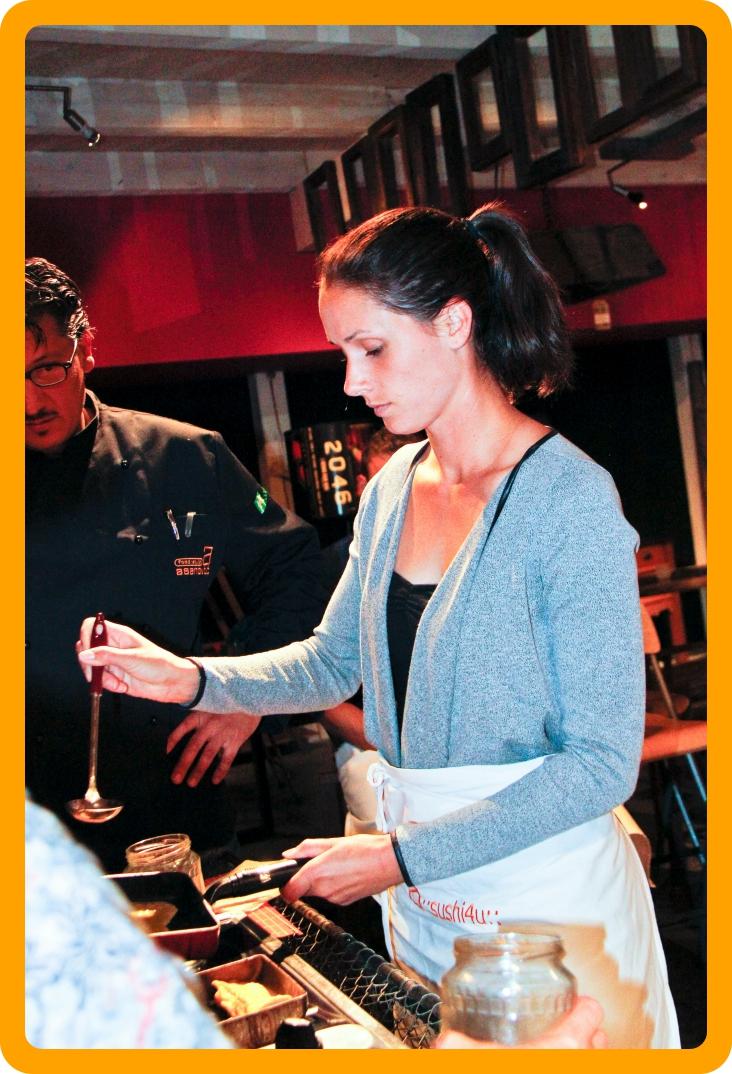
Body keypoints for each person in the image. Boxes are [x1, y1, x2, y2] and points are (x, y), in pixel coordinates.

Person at [77, 203, 679, 1047]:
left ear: (455, 324)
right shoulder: (395, 485)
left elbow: (600, 765)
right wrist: (192, 678)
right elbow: (333, 662)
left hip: (545, 905)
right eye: (344, 353)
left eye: (372, 349)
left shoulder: (568, 499)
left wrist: (396, 858)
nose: (352, 382)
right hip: (428, 891)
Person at [26, 257, 325, 873]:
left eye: (46, 370)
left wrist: (245, 695)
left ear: (87, 349)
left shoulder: (186, 457)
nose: (27, 401)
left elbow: (293, 564)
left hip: (173, 798)